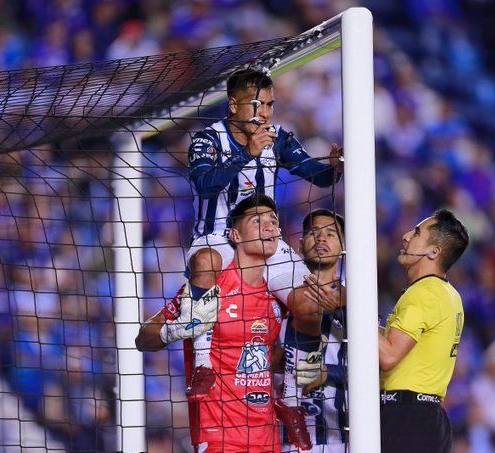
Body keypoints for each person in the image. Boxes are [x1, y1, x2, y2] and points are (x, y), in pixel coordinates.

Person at [140, 66, 342, 447]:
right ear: (233, 105)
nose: (264, 112)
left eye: (269, 104)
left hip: (265, 241)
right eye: (256, 104)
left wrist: (333, 169)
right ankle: (202, 366)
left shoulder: (277, 138)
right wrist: (246, 154)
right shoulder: (206, 140)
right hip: (217, 237)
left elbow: (315, 175)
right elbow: (203, 182)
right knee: (204, 264)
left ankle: (292, 399)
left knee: (313, 302)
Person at [136, 194, 285, 452]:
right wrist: (177, 330)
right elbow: (143, 338)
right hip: (219, 437)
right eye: (258, 220)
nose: (269, 226)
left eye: (273, 221)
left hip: (268, 439)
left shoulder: (278, 295)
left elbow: (268, 357)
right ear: (235, 236)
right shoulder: (208, 287)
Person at [379, 209, 469, 453]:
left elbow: (388, 356)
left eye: (417, 233)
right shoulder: (448, 293)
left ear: (433, 251)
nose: (406, 236)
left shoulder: (425, 293)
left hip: (407, 418)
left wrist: (352, 308)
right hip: (427, 418)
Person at [279, 209, 348, 452]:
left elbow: (379, 373)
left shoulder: (358, 304)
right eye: (314, 233)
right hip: (285, 442)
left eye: (331, 234)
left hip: (340, 440)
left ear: (343, 248)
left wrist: (329, 373)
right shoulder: (278, 300)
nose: (321, 239)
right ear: (299, 245)